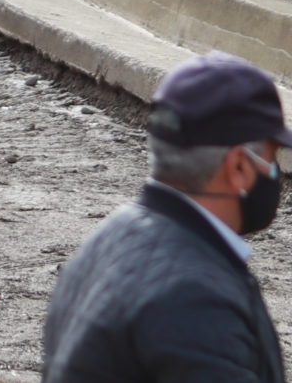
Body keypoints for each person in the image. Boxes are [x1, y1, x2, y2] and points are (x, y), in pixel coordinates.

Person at [42, 51, 290, 383]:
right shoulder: (197, 299)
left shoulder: (107, 239)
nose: (275, 173)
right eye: (272, 157)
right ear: (240, 167)